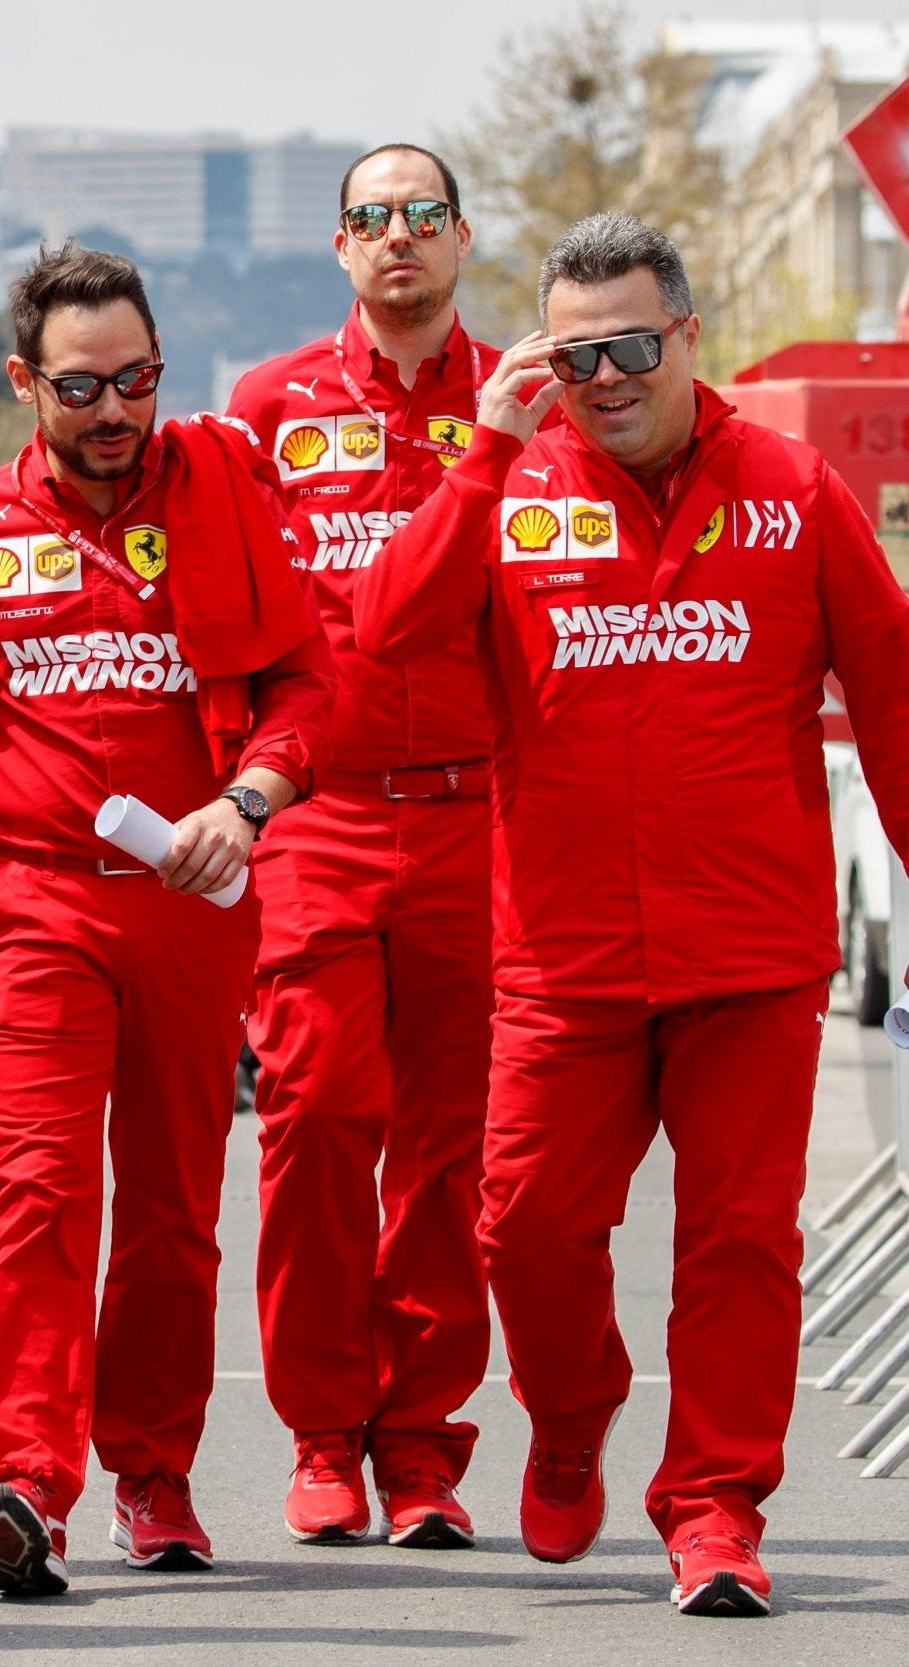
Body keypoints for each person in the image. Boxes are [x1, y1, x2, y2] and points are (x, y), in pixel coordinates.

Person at [355, 213, 909, 1618]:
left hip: (751, 957)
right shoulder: (509, 486)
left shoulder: (789, 488)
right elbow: (388, 630)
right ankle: (570, 1409)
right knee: (523, 1232)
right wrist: (481, 449)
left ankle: (712, 1507)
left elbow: (894, 701)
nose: (602, 376)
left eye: (627, 347)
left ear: (684, 338)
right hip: (562, 957)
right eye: (572, 351)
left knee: (738, 1243)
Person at [0, 243, 332, 1595]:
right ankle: (20, 1476)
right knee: (42, 1189)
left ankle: (154, 1474)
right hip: (31, 908)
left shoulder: (226, 497)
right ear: (25, 383)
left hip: (196, 906)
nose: (115, 408)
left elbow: (307, 681)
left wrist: (244, 801)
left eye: (137, 379)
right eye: (82, 386)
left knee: (175, 1209)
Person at [224, 143, 499, 1548]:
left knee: (451, 1150)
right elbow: (225, 619)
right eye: (370, 218)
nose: (397, 237)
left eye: (422, 215)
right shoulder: (269, 406)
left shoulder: (523, 401)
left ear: (460, 238)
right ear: (339, 247)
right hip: (317, 818)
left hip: (475, 814)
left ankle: (424, 1446)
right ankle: (322, 1431)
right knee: (319, 1118)